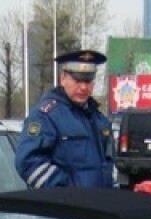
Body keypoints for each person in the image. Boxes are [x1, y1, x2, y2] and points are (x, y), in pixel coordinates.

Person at [16, 50, 115, 189]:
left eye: (88, 80)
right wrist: (66, 192)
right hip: (65, 207)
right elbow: (28, 162)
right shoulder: (46, 116)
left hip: (98, 205)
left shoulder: (99, 119)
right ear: (63, 78)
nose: (83, 87)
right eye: (77, 80)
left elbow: (109, 166)